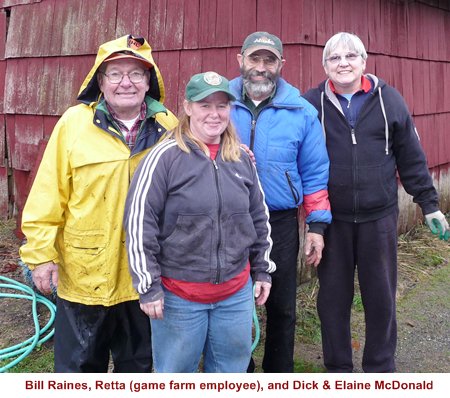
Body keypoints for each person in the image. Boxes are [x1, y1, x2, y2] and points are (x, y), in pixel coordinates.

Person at [19, 34, 178, 372]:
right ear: (100, 81)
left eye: (136, 73)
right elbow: (48, 194)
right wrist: (42, 256)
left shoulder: (169, 127)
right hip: (83, 278)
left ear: (149, 81)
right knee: (78, 372)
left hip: (143, 280)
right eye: (115, 73)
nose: (126, 83)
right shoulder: (74, 124)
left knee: (139, 371)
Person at [303, 31, 450, 373]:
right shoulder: (312, 103)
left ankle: (380, 368)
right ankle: (338, 369)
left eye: (350, 56)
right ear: (325, 65)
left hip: (379, 218)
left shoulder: (389, 100)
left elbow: (411, 158)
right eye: (335, 58)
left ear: (363, 62)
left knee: (381, 299)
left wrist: (429, 204)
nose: (343, 63)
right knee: (332, 300)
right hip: (332, 221)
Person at [124, 71, 276, 373]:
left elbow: (258, 217)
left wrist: (262, 269)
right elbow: (140, 223)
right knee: (176, 374)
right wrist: (148, 287)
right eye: (204, 105)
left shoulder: (241, 158)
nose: (214, 114)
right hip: (179, 297)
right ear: (188, 107)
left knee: (231, 373)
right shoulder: (164, 158)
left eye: (221, 105)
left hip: (235, 295)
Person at [229, 32, 332, 373]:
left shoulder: (300, 110)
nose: (261, 68)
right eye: (254, 59)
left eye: (269, 60)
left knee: (282, 304)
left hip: (281, 221)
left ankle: (278, 376)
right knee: (234, 302)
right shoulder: (218, 101)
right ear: (240, 59)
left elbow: (314, 172)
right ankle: (238, 372)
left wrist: (316, 224)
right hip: (228, 218)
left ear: (281, 65)